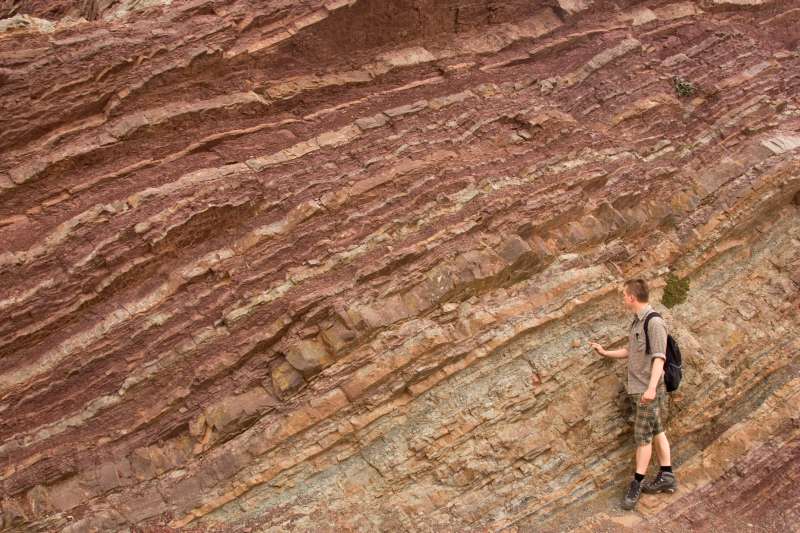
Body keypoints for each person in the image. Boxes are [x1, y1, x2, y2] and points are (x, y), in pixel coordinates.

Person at [588, 278, 677, 511]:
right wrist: (605, 352)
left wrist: (650, 388)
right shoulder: (637, 322)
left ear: (631, 297)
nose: (622, 299)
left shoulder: (654, 322)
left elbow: (660, 357)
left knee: (643, 438)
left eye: (623, 295)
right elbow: (631, 350)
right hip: (639, 389)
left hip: (646, 391)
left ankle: (637, 483)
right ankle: (667, 475)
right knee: (657, 430)